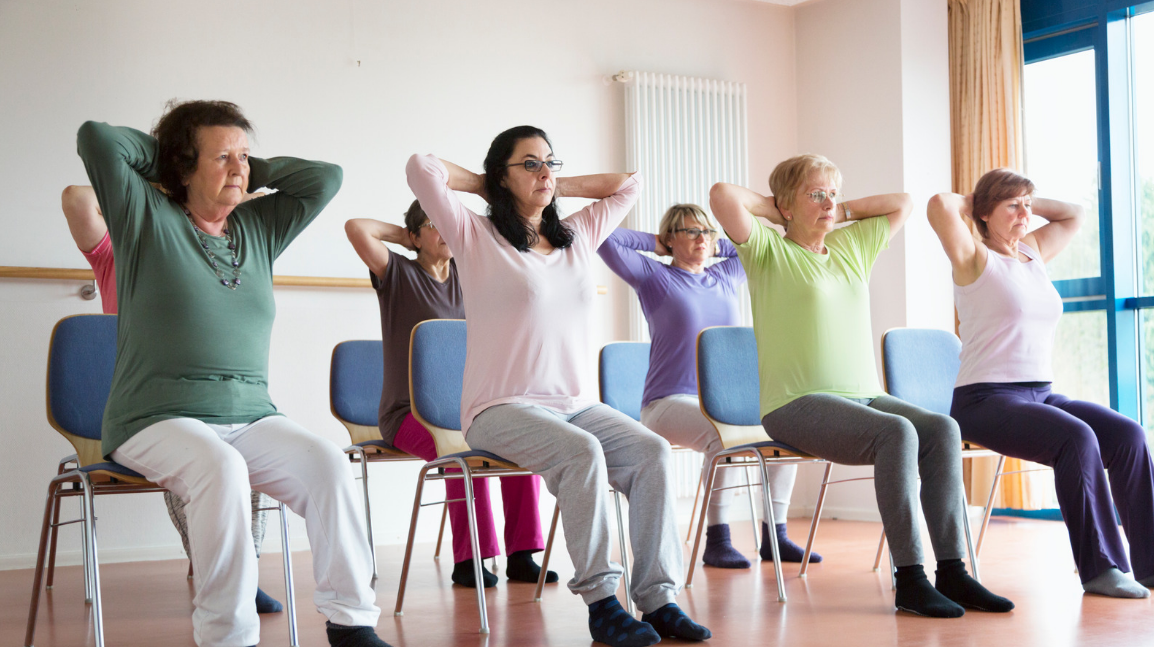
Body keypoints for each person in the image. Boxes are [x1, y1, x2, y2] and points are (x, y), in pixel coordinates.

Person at [77, 100, 388, 647]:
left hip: (251, 415)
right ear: (181, 165)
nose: (240, 167)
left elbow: (325, 179)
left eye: (245, 155)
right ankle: (228, 636)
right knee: (220, 467)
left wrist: (243, 165)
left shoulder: (259, 226)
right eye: (222, 156)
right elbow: (97, 138)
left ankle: (352, 624)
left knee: (327, 467)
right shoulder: (143, 216)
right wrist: (172, 161)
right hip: (153, 417)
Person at [407, 125, 710, 646]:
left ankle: (658, 599)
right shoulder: (474, 235)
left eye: (550, 161)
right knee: (582, 453)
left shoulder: (576, 236)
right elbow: (421, 168)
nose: (545, 171)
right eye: (529, 163)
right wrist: (487, 184)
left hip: (573, 404)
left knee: (652, 451)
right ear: (501, 175)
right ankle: (602, 603)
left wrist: (547, 183)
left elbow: (629, 185)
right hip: (497, 409)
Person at [709, 153, 1014, 618]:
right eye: (816, 194)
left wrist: (834, 208)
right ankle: (910, 579)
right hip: (795, 402)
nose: (829, 202)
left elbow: (903, 203)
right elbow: (723, 195)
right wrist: (779, 210)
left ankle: (953, 571)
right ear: (785, 205)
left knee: (942, 430)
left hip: (865, 394)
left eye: (833, 192)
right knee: (896, 433)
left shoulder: (852, 246)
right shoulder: (767, 250)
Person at [929, 168, 1154, 599]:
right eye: (1011, 206)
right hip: (984, 399)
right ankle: (1101, 568)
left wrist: (1022, 199)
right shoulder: (974, 256)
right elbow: (939, 206)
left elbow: (1074, 214)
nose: (1024, 213)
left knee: (1129, 436)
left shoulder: (1031, 253)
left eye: (1027, 205)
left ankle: (1151, 563)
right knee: (1076, 438)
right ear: (983, 213)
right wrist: (979, 200)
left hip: (1040, 393)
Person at [61, 184, 283, 614]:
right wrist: (167, 186)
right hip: (140, 407)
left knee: (246, 454)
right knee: (197, 456)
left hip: (206, 401)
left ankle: (241, 571)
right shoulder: (117, 252)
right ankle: (221, 572)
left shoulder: (209, 253)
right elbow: (77, 198)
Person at [344, 200, 556, 589]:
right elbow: (358, 227)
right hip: (407, 414)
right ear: (416, 235)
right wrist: (405, 236)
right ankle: (470, 559)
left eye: (448, 224)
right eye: (433, 225)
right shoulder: (397, 274)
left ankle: (522, 555)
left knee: (516, 445)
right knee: (459, 455)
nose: (444, 231)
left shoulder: (469, 274)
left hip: (468, 411)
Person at [597, 204, 817, 569]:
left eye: (707, 231)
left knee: (786, 430)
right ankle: (718, 540)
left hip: (725, 401)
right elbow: (603, 237)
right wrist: (657, 243)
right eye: (690, 232)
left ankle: (774, 537)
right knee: (722, 435)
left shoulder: (727, 276)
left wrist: (716, 242)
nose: (702, 238)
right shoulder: (654, 278)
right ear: (670, 238)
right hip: (667, 403)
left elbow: (759, 241)